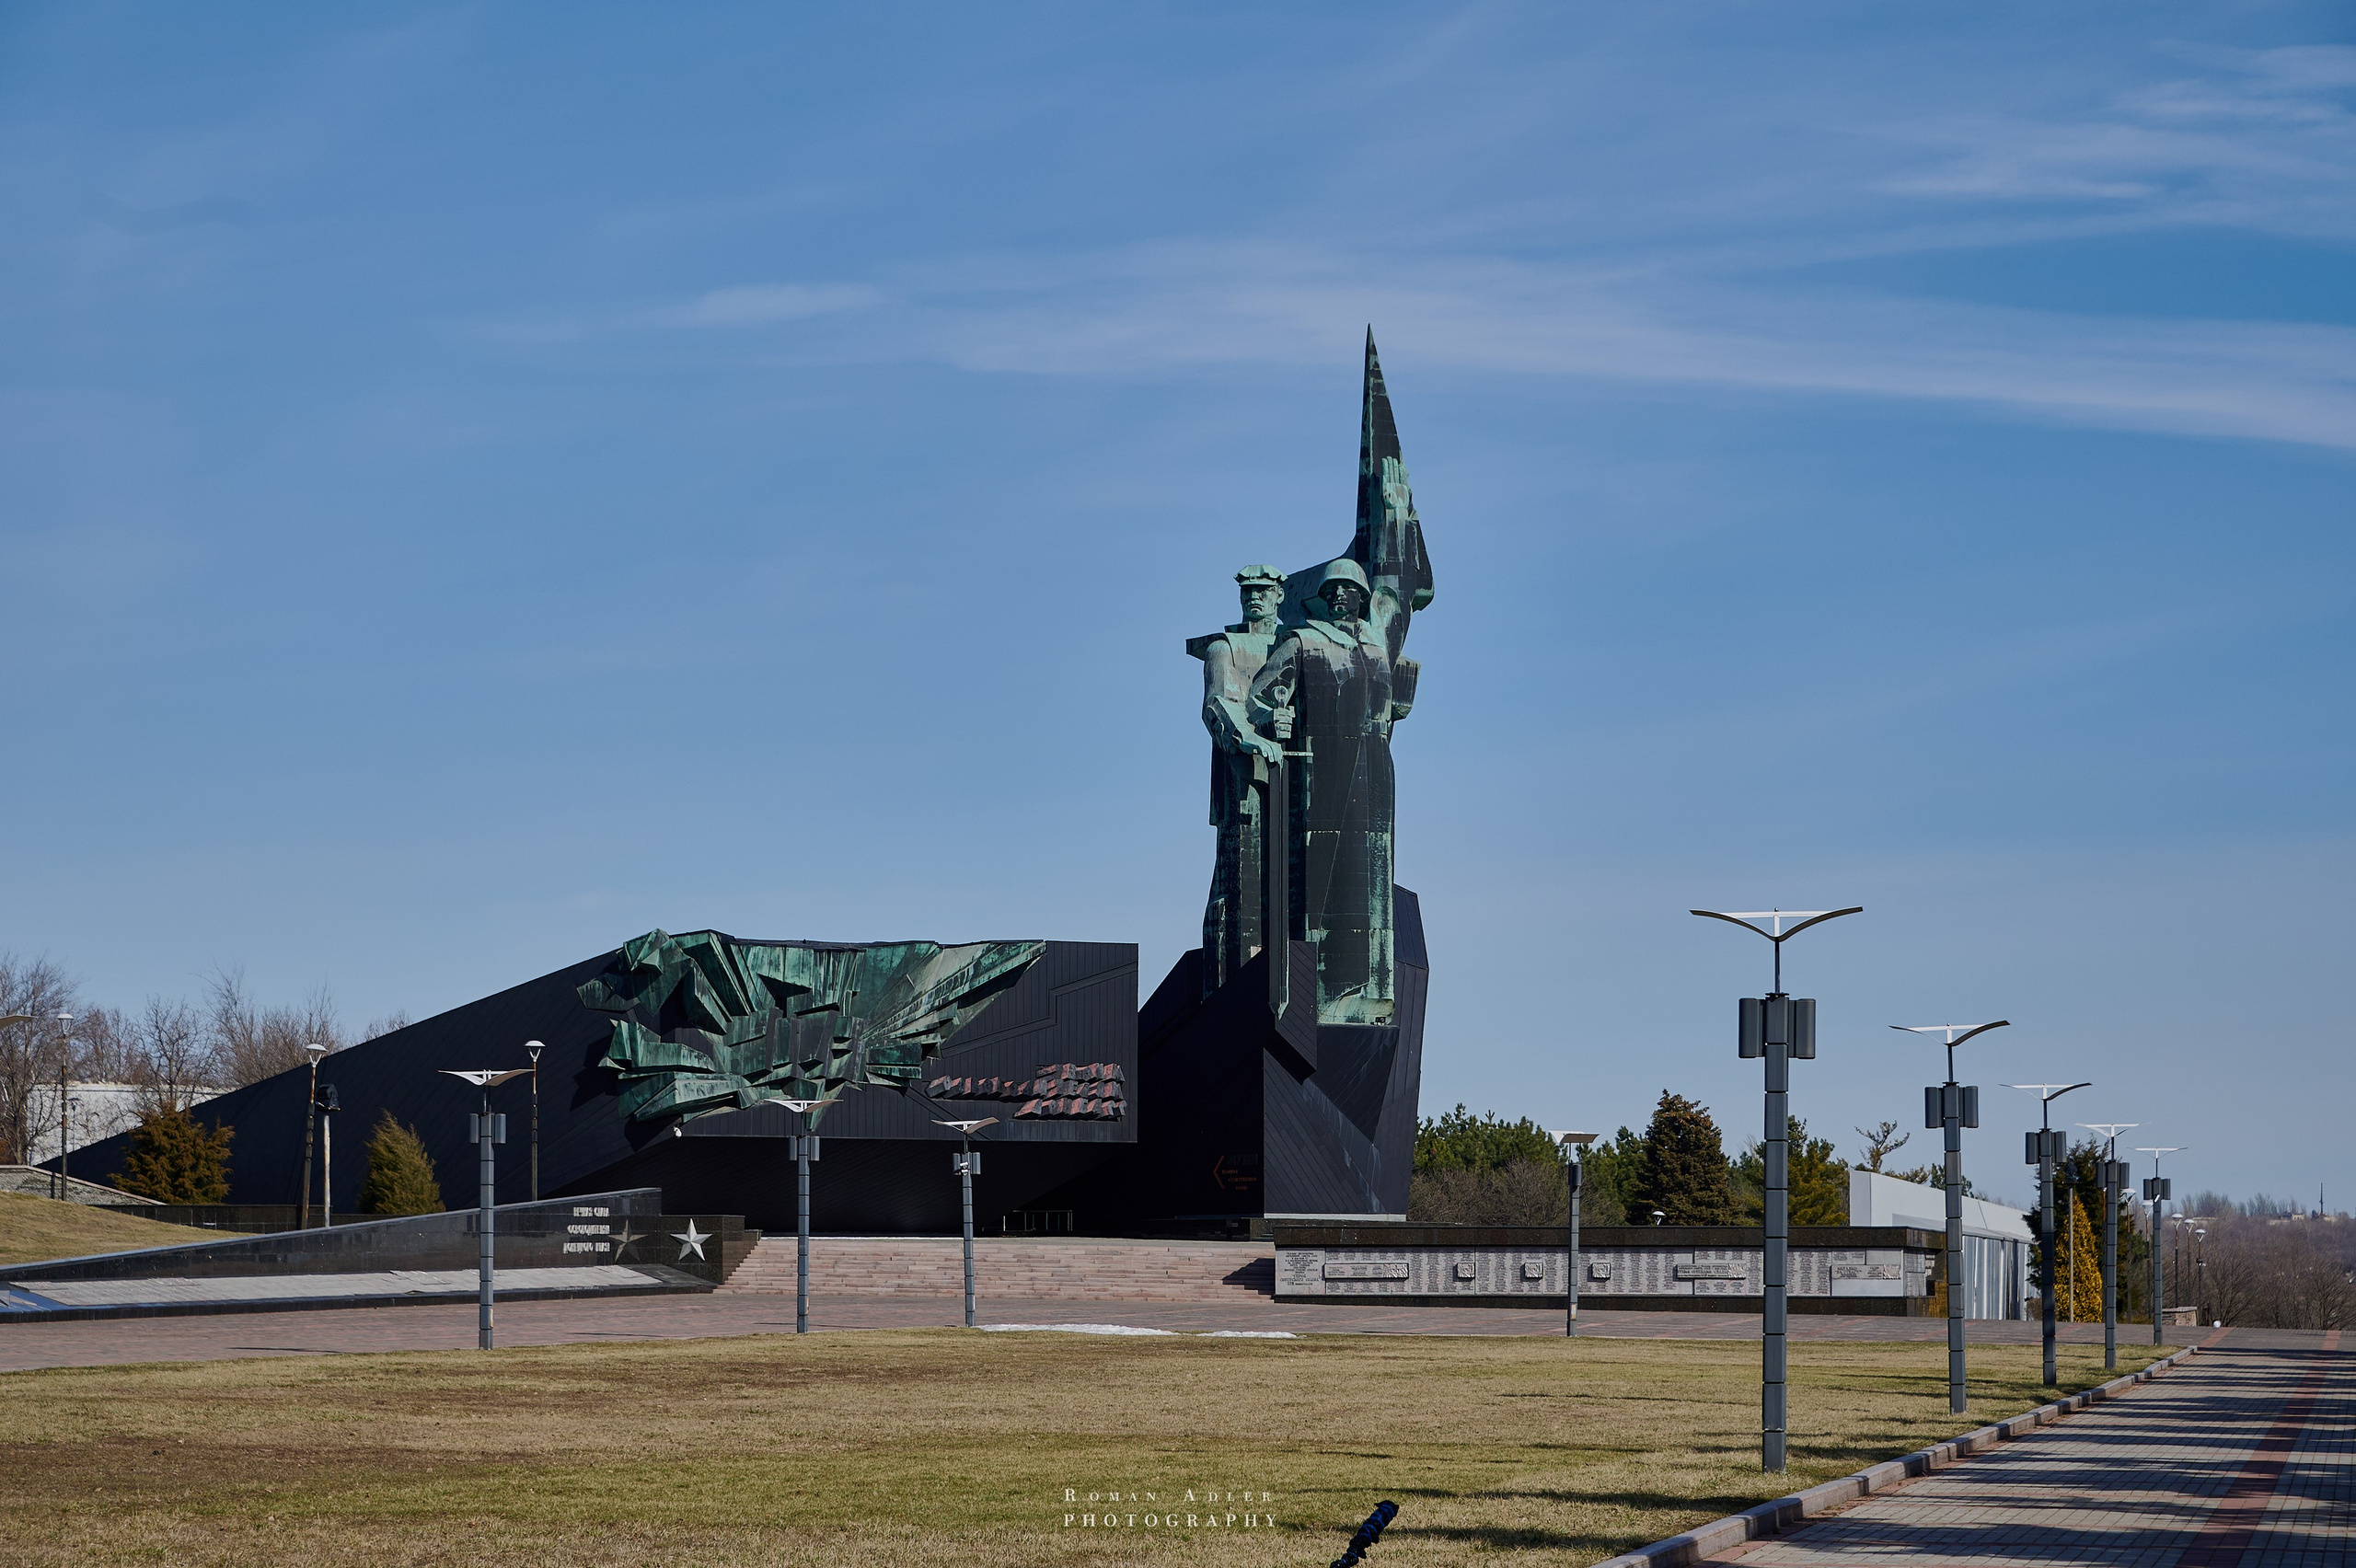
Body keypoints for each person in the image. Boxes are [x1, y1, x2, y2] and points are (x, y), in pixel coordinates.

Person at [1246, 559, 1415, 1024]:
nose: (1340, 595)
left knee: (1373, 882)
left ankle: (1372, 992)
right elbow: (1259, 698)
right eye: (1333, 589)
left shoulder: (1376, 651)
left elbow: (1385, 709)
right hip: (1323, 775)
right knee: (1326, 883)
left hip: (1376, 776)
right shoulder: (1304, 641)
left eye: (1348, 588)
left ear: (1361, 597)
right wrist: (1270, 717)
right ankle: (1324, 995)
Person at [1187, 567, 1288, 992]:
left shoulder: (1295, 643)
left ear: (1279, 595)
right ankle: (1230, 982)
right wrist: (1249, 737)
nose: (1255, 598)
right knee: (1240, 878)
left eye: (1263, 591)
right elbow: (1218, 705)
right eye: (1248, 591)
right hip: (1242, 778)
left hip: (1291, 778)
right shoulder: (1223, 648)